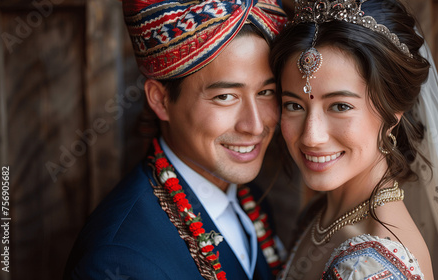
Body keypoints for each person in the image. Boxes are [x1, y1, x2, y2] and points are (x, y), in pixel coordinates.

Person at [63, 0, 288, 279]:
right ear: (161, 100)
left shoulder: (249, 198)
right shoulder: (119, 261)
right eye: (225, 97)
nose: (255, 126)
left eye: (267, 92)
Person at [270, 0, 438, 279]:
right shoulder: (319, 215)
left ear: (392, 115)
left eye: (340, 106)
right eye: (294, 105)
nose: (311, 137)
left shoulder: (371, 268)